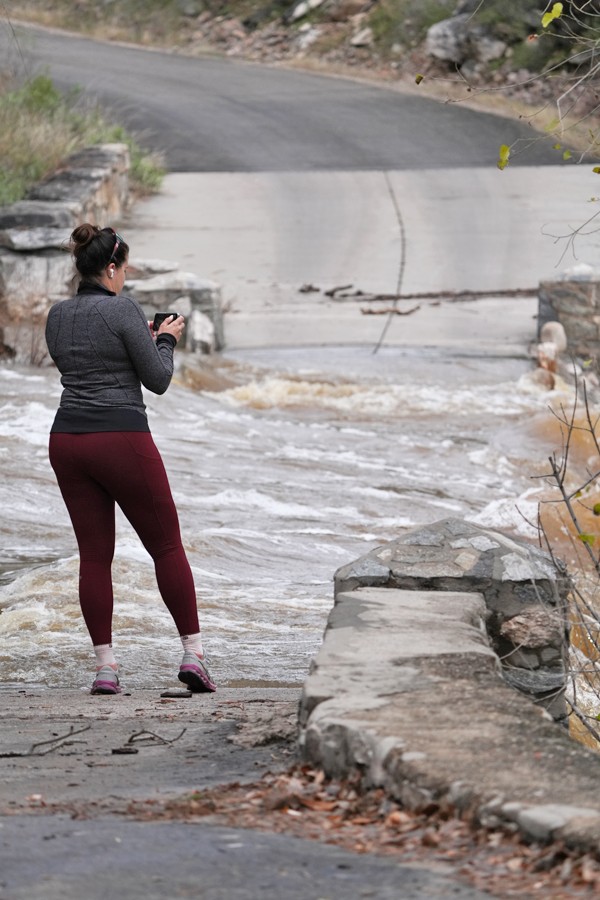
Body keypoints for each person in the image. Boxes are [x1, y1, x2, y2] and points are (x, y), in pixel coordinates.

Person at [45, 223, 216, 696]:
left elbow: (84, 359)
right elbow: (157, 379)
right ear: (112, 268)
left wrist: (135, 336)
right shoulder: (122, 309)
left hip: (67, 440)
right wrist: (164, 339)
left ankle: (105, 669)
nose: (126, 277)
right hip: (119, 437)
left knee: (94, 556)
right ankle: (193, 656)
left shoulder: (57, 315)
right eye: (125, 268)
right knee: (165, 546)